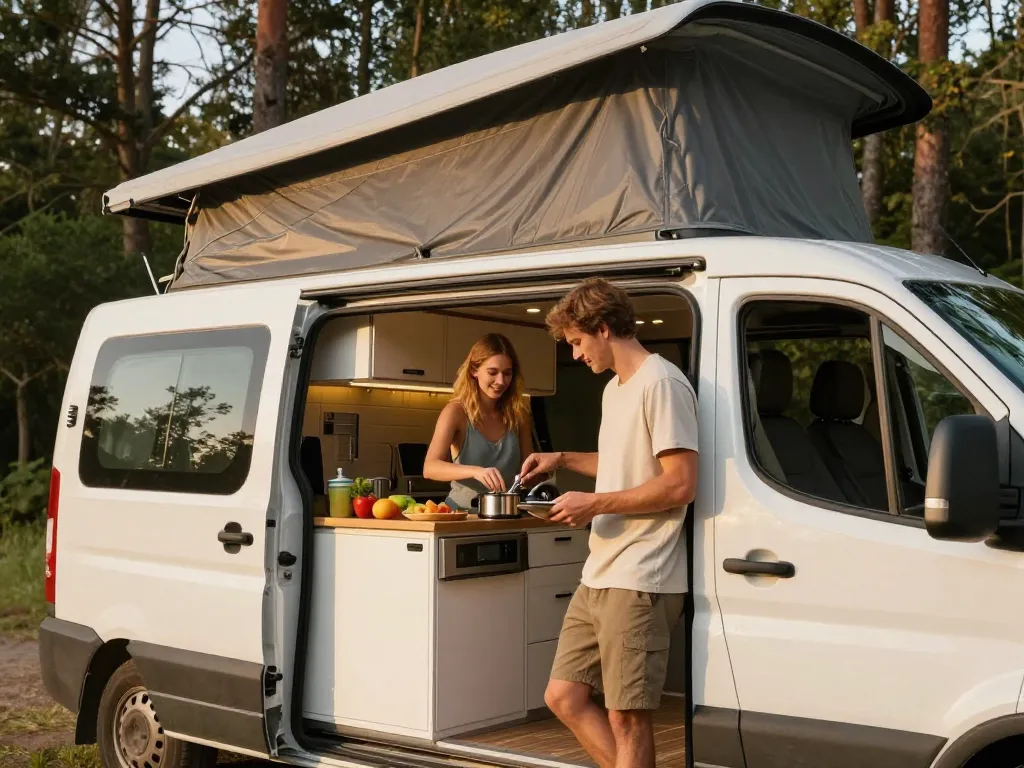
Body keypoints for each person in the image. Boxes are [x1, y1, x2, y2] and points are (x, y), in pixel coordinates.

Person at [519, 278, 698, 768]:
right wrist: (561, 458)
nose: (576, 355)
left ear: (603, 328)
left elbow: (680, 484)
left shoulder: (661, 382)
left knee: (627, 717)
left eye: (577, 342)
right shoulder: (617, 389)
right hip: (600, 571)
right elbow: (624, 460)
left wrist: (594, 506)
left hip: (641, 577)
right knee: (564, 697)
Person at [424, 333, 533, 510]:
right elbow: (430, 467)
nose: (500, 381)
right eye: (492, 372)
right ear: (474, 370)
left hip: (507, 513)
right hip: (461, 514)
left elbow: (527, 472)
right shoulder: (456, 412)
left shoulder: (518, 414)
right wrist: (476, 471)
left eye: (507, 373)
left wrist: (546, 469)